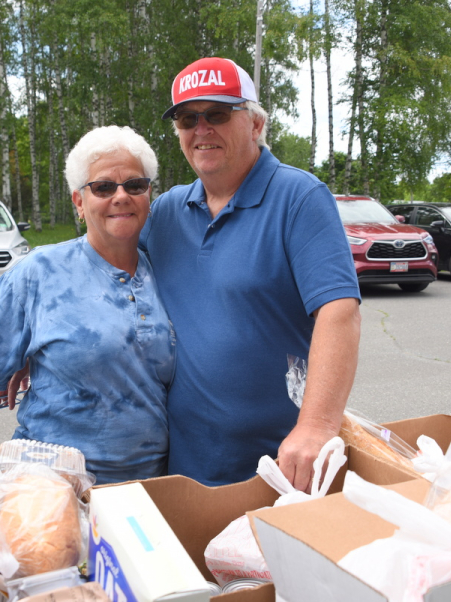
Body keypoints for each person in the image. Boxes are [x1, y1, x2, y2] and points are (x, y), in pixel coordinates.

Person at [139, 57, 362, 490]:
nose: (201, 130)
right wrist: (40, 335)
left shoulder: (299, 198)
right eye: (188, 119)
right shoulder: (166, 211)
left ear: (256, 124)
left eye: (218, 115)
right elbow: (106, 269)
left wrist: (317, 426)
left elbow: (339, 312)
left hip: (278, 466)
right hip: (183, 464)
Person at [0, 125, 176, 484]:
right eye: (102, 187)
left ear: (148, 195)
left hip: (145, 489)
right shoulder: (39, 272)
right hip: (49, 485)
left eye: (135, 185)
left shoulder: (166, 270)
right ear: (79, 201)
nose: (121, 196)